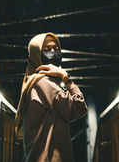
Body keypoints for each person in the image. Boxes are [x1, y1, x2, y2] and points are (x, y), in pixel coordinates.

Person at [15, 32, 87, 162]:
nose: (53, 52)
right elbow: (79, 107)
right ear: (36, 55)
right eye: (46, 50)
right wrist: (66, 77)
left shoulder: (32, 81)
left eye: (56, 48)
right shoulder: (43, 82)